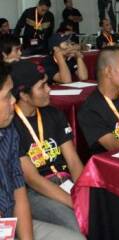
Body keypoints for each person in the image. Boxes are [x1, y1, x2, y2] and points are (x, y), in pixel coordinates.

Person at [0, 62, 84, 240]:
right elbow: (32, 179)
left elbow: (73, 161)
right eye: (42, 86)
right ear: (24, 95)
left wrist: (83, 193)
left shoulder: (52, 114)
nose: (49, 89)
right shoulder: (12, 126)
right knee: (77, 223)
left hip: (63, 181)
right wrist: (74, 202)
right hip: (36, 191)